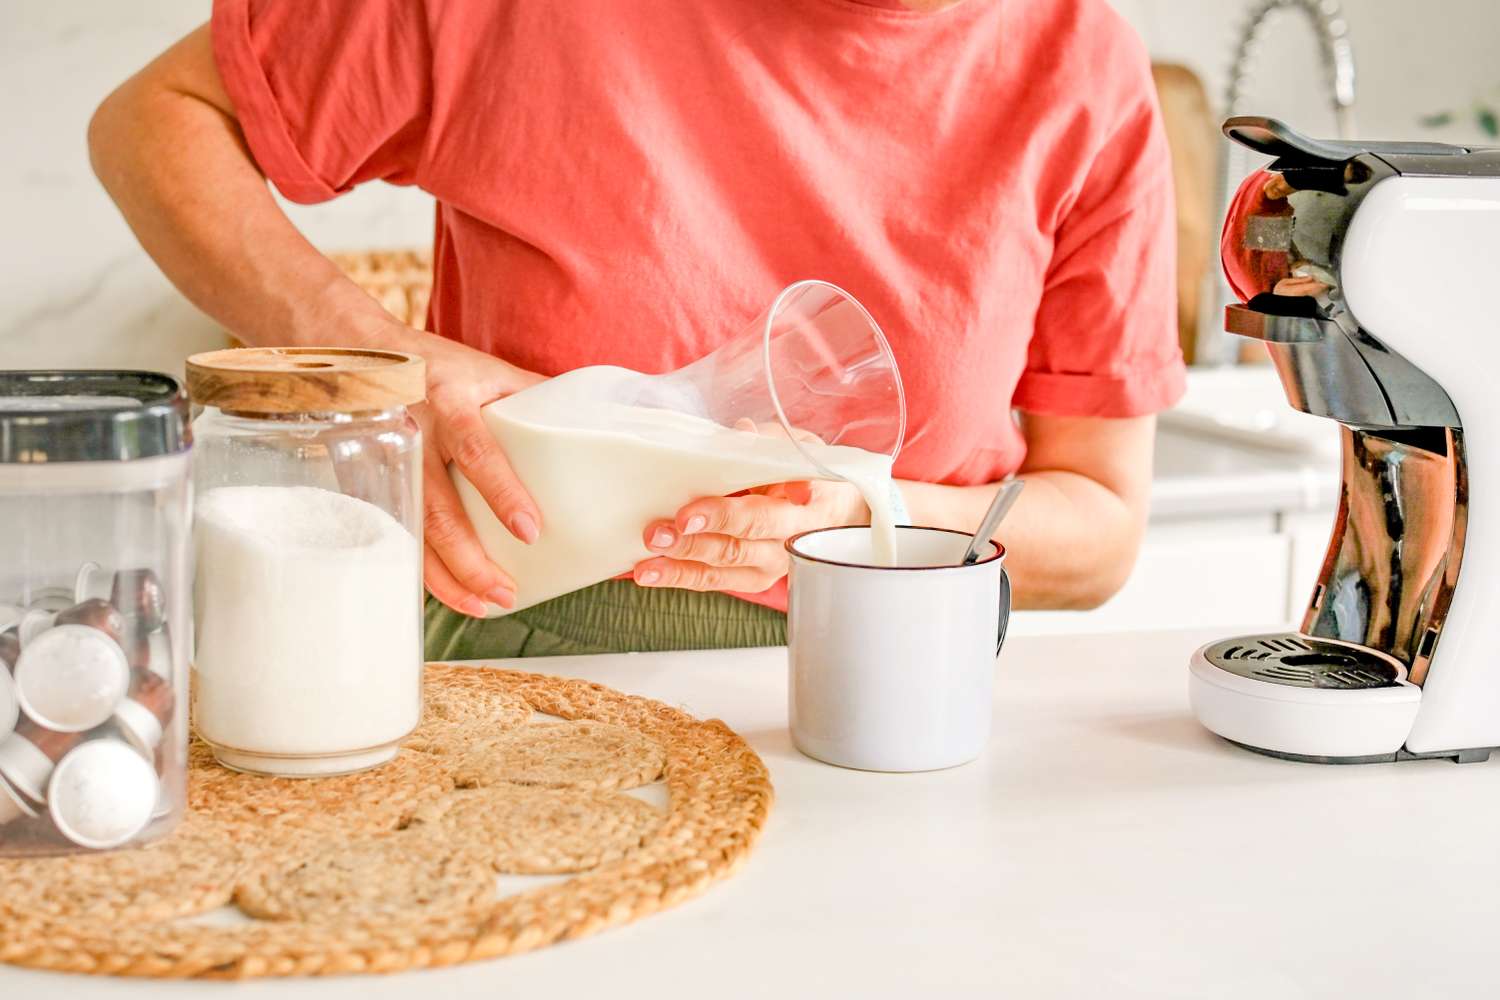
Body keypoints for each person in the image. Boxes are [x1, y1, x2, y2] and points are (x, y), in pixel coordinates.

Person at [89, 0, 1185, 658]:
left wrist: (869, 516)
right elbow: (156, 124)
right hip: (521, 655)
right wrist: (365, 356)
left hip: (919, 680)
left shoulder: (1084, 66)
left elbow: (1097, 529)